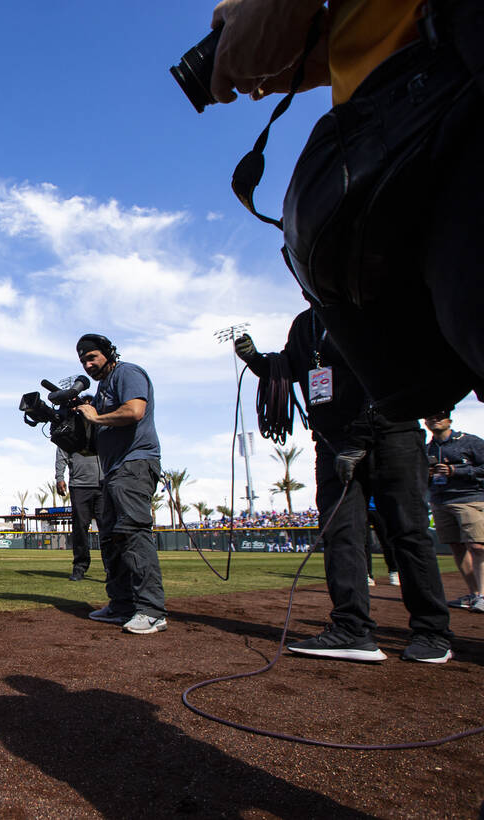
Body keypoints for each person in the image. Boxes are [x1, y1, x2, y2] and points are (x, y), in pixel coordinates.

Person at [208, 0, 484, 419]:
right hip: (416, 130)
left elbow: (266, 23)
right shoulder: (303, 334)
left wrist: (258, 13)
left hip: (448, 98)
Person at [235, 308, 452, 662]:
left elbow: (384, 370)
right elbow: (291, 367)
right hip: (333, 440)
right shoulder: (306, 324)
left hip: (390, 435)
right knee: (341, 534)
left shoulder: (367, 309)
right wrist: (256, 360)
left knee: (407, 532)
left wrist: (363, 436)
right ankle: (352, 629)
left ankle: (432, 632)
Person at [75, 335, 166, 635]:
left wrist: (97, 418)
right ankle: (122, 604)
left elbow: (134, 410)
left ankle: (152, 611)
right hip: (113, 470)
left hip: (136, 463)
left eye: (92, 357)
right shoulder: (101, 389)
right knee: (112, 538)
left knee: (133, 534)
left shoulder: (127, 372)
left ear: (108, 353)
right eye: (83, 361)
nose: (88, 364)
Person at [424, 410, 484, 612]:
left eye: (440, 415)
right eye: (431, 416)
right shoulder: (427, 449)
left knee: (477, 546)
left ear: (449, 420)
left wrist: (455, 470)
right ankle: (474, 593)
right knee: (457, 547)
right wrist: (428, 474)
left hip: (469, 498)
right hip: (440, 500)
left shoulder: (469, 442)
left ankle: (483, 595)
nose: (435, 419)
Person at [55, 445, 102, 580]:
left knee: (107, 528)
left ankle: (112, 568)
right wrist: (59, 477)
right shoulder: (73, 430)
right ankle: (80, 567)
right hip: (79, 485)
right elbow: (61, 452)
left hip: (104, 484)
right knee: (80, 528)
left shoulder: (104, 426)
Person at [364, 498, 400, 587]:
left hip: (380, 508)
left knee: (387, 541)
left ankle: (394, 571)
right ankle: (366, 574)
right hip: (362, 509)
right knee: (364, 543)